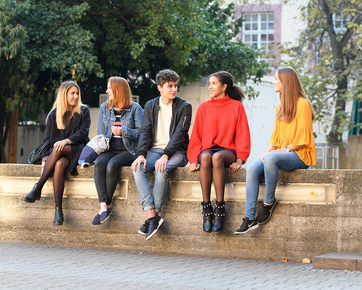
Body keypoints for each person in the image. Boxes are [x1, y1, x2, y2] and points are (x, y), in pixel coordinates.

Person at [234, 67, 316, 235]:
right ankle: (249, 219)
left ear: (285, 83)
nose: (273, 82)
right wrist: (266, 153)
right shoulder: (280, 107)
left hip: (300, 155)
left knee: (270, 159)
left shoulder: (303, 104)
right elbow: (276, 137)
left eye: (276, 79)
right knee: (252, 169)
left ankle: (269, 202)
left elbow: (302, 140)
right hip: (281, 153)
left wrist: (282, 150)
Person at [131, 69, 192, 240]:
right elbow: (145, 132)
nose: (173, 89)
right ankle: (152, 216)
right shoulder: (150, 105)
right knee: (137, 168)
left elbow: (180, 134)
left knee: (161, 170)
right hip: (154, 150)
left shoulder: (184, 106)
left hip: (177, 151)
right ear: (160, 87)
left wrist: (166, 155)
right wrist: (141, 154)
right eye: (169, 86)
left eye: (175, 86)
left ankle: (154, 216)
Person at [187, 71, 251, 233]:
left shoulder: (237, 106)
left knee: (216, 157)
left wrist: (240, 160)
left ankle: (220, 208)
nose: (210, 86)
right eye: (209, 83)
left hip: (227, 151)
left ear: (224, 87)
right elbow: (196, 136)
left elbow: (243, 135)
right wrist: (193, 159)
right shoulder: (204, 107)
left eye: (214, 83)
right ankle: (207, 208)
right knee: (207, 156)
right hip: (208, 149)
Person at [23, 80, 91, 226]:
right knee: (59, 164)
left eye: (77, 93)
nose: (75, 96)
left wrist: (66, 141)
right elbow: (47, 140)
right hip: (59, 155)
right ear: (64, 95)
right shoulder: (54, 114)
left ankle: (38, 187)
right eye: (72, 93)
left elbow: (83, 133)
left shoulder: (84, 111)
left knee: (59, 148)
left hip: (77, 150)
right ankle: (58, 211)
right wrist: (45, 160)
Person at [91, 77, 144, 226]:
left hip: (129, 149)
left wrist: (124, 131)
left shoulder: (135, 108)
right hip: (110, 148)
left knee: (112, 165)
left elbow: (143, 133)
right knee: (99, 164)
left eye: (109, 88)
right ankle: (104, 206)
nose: (107, 91)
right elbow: (100, 133)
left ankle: (105, 207)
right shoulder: (104, 108)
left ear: (118, 90)